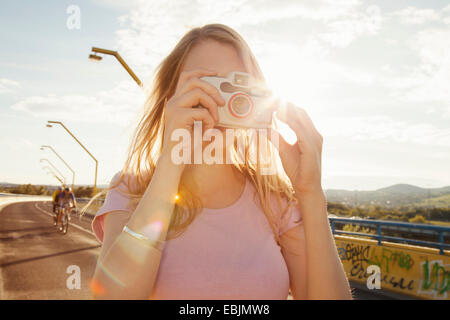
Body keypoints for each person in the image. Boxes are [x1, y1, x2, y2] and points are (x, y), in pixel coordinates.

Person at [89, 24, 352, 300]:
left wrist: (311, 195)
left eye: (235, 86)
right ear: (170, 100)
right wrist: (171, 161)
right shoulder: (131, 190)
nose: (219, 102)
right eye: (205, 86)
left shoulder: (274, 203)